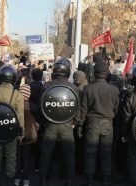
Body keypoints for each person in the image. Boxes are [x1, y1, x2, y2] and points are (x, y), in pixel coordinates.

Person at [78, 62, 119, 186]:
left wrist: (80, 125)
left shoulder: (88, 88)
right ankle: (105, 180)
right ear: (106, 74)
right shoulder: (114, 90)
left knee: (90, 153)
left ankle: (90, 180)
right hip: (108, 124)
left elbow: (83, 110)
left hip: (92, 124)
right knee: (106, 154)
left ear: (94, 74)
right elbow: (116, 110)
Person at [40, 58, 79, 186]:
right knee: (69, 155)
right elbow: (77, 108)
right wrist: (74, 123)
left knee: (46, 153)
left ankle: (43, 179)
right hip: (67, 125)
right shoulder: (73, 87)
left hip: (50, 125)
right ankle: (70, 180)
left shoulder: (47, 86)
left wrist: (45, 122)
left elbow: (42, 107)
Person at [0, 65, 24, 186]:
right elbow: (20, 116)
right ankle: (9, 182)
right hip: (11, 130)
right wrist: (21, 132)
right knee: (11, 157)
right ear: (13, 78)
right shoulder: (17, 94)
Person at [14, 68, 38, 186]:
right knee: (26, 157)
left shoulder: (14, 105)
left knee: (17, 157)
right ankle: (27, 179)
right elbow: (37, 122)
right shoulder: (32, 106)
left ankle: (17, 178)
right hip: (29, 135)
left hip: (17, 135)